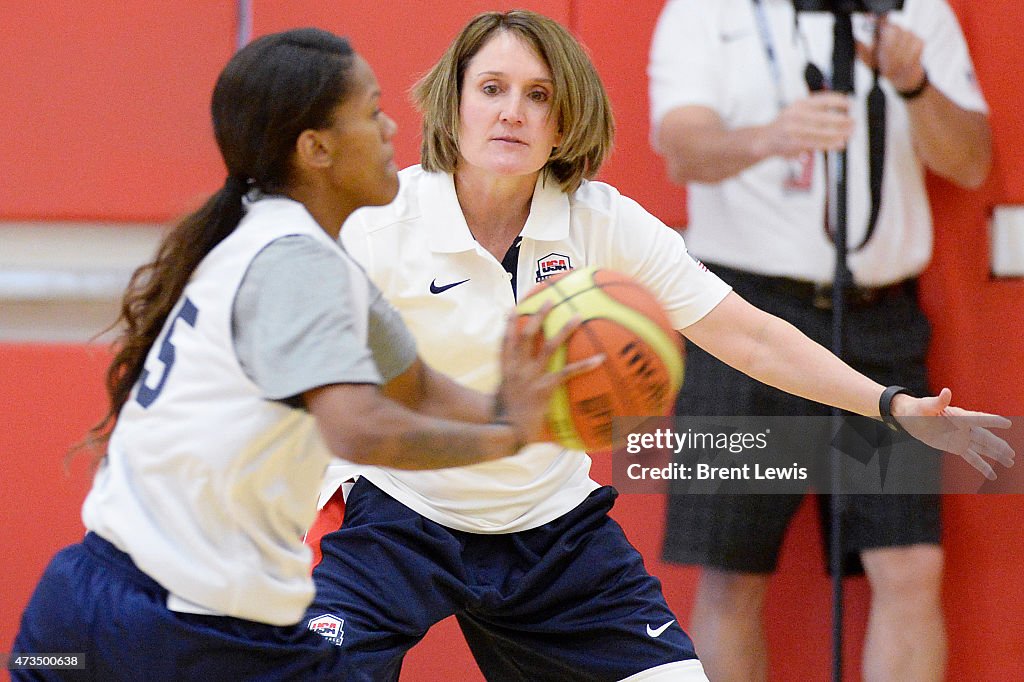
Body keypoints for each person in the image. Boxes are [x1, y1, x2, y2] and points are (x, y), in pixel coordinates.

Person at [303, 9, 1011, 682]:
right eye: (491, 89)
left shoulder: (602, 222)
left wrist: (892, 405)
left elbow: (750, 334)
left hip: (549, 529)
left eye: (537, 95)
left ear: (563, 123)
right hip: (397, 512)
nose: (511, 111)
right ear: (453, 105)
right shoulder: (375, 224)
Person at [10, 27, 589, 681]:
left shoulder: (275, 237)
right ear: (316, 149)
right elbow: (360, 428)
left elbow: (417, 390)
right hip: (184, 632)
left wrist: (520, 414)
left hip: (78, 608)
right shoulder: (296, 262)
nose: (392, 126)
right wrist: (504, 441)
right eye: (370, 112)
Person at [648, 0, 995, 680]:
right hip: (742, 319)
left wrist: (914, 84)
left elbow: (972, 162)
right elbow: (681, 149)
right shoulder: (702, 10)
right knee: (732, 569)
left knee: (909, 563)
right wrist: (768, 136)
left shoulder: (919, 11)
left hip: (878, 323)